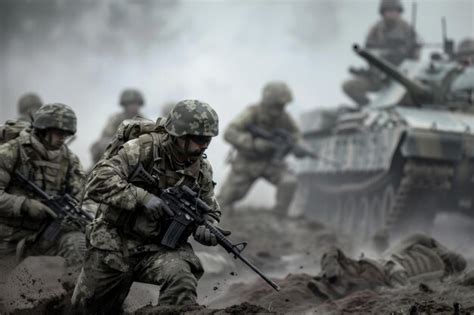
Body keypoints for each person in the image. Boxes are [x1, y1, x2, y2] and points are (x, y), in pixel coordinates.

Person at [72, 100, 221, 313]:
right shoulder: (141, 149)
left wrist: (208, 226)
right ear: (179, 134)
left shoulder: (201, 169)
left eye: (208, 139)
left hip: (159, 249)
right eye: (199, 139)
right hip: (115, 243)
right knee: (86, 310)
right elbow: (96, 181)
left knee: (181, 277)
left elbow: (210, 207)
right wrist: (142, 198)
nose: (204, 145)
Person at [0, 103, 86, 267]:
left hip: (45, 235)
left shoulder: (69, 159)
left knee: (79, 244)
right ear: (43, 130)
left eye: (66, 135)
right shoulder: (11, 152)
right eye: (59, 133)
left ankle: (74, 291)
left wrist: (83, 211)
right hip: (7, 237)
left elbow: (83, 194)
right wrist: (24, 204)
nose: (62, 138)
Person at [218, 81, 304, 216]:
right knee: (224, 201)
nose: (280, 108)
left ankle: (278, 217)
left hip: (271, 163)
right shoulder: (252, 112)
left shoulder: (284, 118)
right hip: (247, 162)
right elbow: (229, 133)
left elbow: (296, 134)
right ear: (268, 100)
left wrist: (299, 146)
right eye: (277, 105)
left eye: (282, 105)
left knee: (289, 182)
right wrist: (253, 143)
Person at [308, 234, 466, 300]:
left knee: (361, 281)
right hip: (379, 268)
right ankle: (332, 282)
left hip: (383, 274)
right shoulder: (421, 247)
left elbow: (411, 287)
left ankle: (333, 284)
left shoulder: (439, 273)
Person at [342, 0, 420, 107]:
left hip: (400, 79)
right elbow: (369, 52)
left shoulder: (407, 29)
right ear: (383, 13)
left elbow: (415, 57)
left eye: (394, 11)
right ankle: (370, 108)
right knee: (349, 86)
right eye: (388, 11)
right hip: (377, 77)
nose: (391, 14)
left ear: (399, 12)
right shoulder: (375, 30)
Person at [90, 88, 145, 164]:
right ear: (125, 105)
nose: (134, 106)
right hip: (116, 152)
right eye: (130, 103)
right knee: (98, 146)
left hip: (137, 154)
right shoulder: (116, 119)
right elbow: (105, 137)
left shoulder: (144, 121)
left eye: (136, 103)